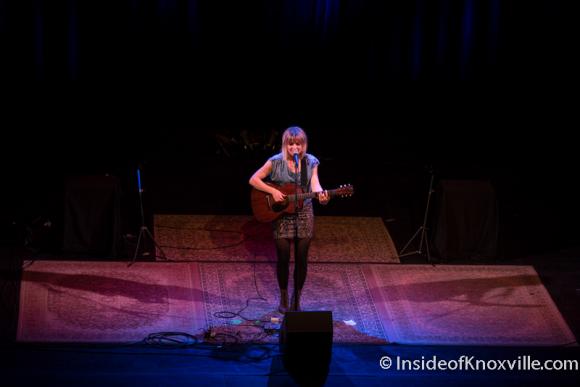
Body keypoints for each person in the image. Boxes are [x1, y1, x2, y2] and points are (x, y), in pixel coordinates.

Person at [249, 126, 330, 313]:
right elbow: (254, 179)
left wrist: (322, 197)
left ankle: (297, 298)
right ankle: (284, 296)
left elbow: (315, 185)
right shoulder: (275, 162)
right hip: (282, 214)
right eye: (291, 143)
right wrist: (273, 191)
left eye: (299, 144)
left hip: (304, 212)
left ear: (304, 145)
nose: (295, 147)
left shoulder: (311, 162)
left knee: (302, 258)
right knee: (283, 256)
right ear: (286, 144)